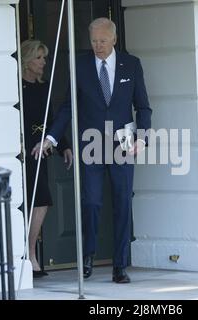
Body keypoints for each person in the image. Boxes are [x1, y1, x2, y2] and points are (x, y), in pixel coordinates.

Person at [32, 18, 152, 283]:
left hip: (123, 144)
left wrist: (143, 138)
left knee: (122, 202)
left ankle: (120, 265)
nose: (98, 46)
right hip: (91, 145)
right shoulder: (81, 65)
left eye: (102, 41)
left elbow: (143, 106)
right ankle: (87, 258)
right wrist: (51, 139)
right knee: (92, 202)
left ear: (114, 40)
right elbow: (67, 107)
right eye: (94, 41)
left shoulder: (131, 64)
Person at [21, 39, 73, 278]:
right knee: (31, 200)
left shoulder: (44, 88)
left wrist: (64, 146)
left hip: (42, 152)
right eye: (39, 57)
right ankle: (27, 256)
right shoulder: (16, 88)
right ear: (27, 61)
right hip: (24, 154)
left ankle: (30, 253)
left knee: (41, 200)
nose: (43, 62)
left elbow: (52, 120)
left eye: (44, 57)